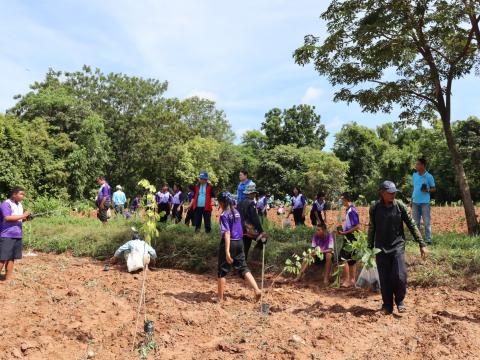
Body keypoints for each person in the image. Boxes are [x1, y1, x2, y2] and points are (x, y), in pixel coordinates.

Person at [368, 181, 428, 314]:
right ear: (381, 193)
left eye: (394, 192)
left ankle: (400, 300)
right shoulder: (374, 207)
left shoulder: (400, 206)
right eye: (389, 192)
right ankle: (387, 305)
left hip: (397, 246)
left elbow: (412, 225)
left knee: (400, 275)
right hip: (380, 248)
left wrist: (422, 244)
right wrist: (369, 248)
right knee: (384, 278)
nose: (393, 194)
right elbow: (372, 228)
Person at [216, 191, 262, 302]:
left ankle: (220, 298)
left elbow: (227, 233)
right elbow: (241, 227)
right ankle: (257, 290)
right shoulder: (236, 212)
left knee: (222, 271)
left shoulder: (224, 215)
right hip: (239, 242)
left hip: (229, 242)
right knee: (243, 267)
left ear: (221, 203)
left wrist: (227, 251)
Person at [0, 187, 31, 281]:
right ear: (14, 194)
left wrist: (26, 218)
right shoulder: (6, 204)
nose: (23, 196)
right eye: (21, 194)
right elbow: (7, 218)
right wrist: (23, 215)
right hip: (6, 235)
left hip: (17, 234)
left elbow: (19, 219)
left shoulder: (20, 205)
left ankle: (7, 279)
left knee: (11, 258)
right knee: (2, 258)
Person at [237, 183, 267, 260]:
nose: (255, 195)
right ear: (251, 193)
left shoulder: (240, 203)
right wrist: (261, 231)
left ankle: (241, 266)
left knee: (245, 247)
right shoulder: (251, 203)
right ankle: (254, 257)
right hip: (248, 229)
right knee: (264, 238)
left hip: (239, 228)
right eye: (254, 193)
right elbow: (255, 218)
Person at [336, 192, 360, 287]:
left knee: (343, 257)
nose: (341, 201)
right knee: (351, 259)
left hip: (351, 236)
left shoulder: (351, 211)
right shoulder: (349, 209)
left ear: (346, 199)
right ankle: (352, 280)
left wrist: (345, 232)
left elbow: (357, 226)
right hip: (350, 235)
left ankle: (347, 280)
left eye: (342, 199)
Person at [412, 158, 436, 245]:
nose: (416, 166)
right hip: (415, 202)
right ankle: (416, 238)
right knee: (415, 222)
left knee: (426, 222)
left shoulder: (429, 176)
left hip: (425, 202)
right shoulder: (414, 175)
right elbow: (414, 188)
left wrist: (427, 189)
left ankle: (428, 239)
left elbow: (434, 188)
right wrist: (412, 199)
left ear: (422, 165)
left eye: (418, 164)